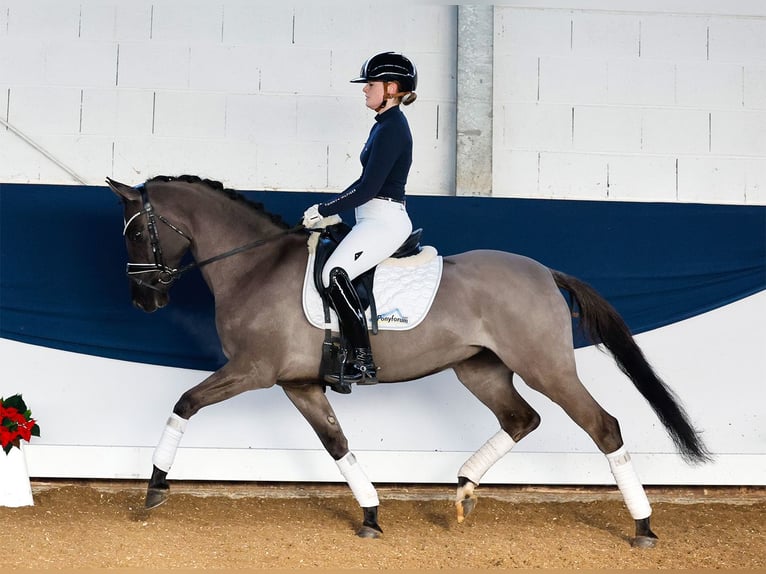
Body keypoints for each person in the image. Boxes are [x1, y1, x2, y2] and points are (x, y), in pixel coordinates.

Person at [302, 51, 418, 387]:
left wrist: (325, 210)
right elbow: (364, 184)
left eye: (371, 84)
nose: (365, 90)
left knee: (335, 274)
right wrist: (332, 208)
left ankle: (363, 361)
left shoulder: (393, 128)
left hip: (385, 221)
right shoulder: (383, 125)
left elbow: (369, 188)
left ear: (392, 88)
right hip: (371, 218)